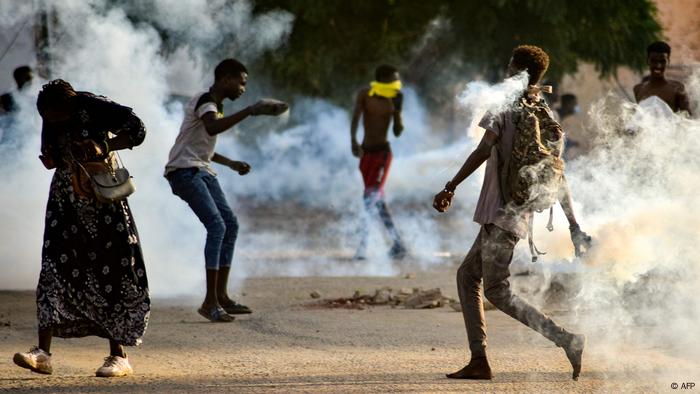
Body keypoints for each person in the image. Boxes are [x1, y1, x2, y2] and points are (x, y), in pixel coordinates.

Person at [433, 45, 585, 381]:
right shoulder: (541, 110)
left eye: (509, 68)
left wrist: (450, 186)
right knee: (466, 276)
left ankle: (565, 339)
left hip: (500, 214)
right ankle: (479, 360)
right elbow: (557, 173)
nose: (504, 73)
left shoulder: (505, 105)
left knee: (496, 289)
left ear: (519, 73)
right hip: (516, 213)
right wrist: (573, 225)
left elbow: (484, 148)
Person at [13, 79, 149, 378]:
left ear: (70, 106)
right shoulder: (48, 115)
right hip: (65, 201)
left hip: (102, 198)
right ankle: (42, 353)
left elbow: (137, 131)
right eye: (48, 118)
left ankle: (118, 356)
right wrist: (51, 158)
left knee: (110, 270)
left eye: (56, 116)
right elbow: (52, 155)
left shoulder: (94, 106)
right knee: (52, 269)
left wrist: (104, 145)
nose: (52, 122)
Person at [164, 58, 287, 323]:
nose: (243, 88)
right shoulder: (206, 101)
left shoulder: (214, 106)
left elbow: (202, 144)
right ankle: (210, 302)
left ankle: (221, 296)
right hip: (185, 172)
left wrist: (230, 163)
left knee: (229, 224)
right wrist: (251, 111)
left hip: (200, 169)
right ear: (226, 79)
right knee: (217, 226)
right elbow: (212, 127)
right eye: (241, 83)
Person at [350, 64, 407, 260]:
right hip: (366, 154)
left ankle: (362, 247)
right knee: (376, 201)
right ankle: (398, 244)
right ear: (382, 79)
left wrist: (398, 111)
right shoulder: (365, 94)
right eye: (393, 79)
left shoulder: (395, 97)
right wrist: (353, 141)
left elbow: (398, 132)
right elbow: (356, 118)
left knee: (370, 198)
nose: (396, 83)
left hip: (383, 154)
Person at [633, 41, 691, 114]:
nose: (658, 66)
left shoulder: (677, 89)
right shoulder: (638, 89)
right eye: (653, 61)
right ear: (647, 61)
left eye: (662, 61)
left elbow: (688, 119)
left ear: (668, 62)